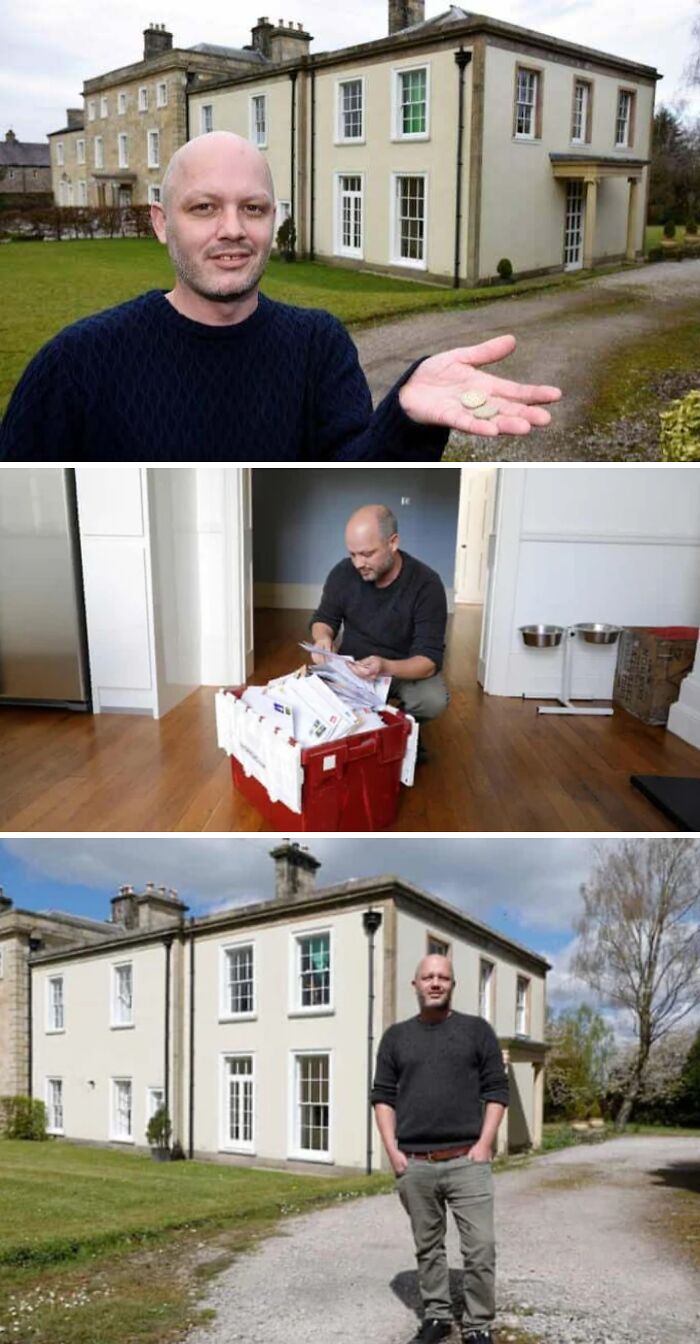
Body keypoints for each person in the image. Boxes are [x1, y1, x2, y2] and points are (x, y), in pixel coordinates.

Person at [1, 132, 561, 461]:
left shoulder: (317, 344)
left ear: (273, 218)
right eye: (203, 208)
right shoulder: (78, 362)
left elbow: (352, 476)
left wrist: (408, 416)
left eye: (254, 208)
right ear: (160, 222)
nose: (233, 229)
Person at [371, 954, 508, 1344]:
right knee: (428, 1247)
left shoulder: (476, 1031)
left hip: (468, 1160)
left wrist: (484, 1144)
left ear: (452, 985)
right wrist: (393, 1152)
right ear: (414, 985)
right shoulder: (396, 1037)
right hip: (415, 1162)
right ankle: (437, 1316)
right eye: (428, 977)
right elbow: (382, 1097)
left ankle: (479, 1323)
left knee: (480, 1247)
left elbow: (497, 1091)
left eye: (443, 977)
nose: (435, 983)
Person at [310, 504, 449, 730]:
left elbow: (428, 662)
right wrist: (323, 638)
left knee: (431, 700)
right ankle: (367, 730)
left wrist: (384, 666)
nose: (358, 564)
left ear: (393, 543)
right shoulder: (343, 573)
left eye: (367, 554)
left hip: (401, 669)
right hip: (353, 667)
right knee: (311, 693)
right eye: (352, 554)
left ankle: (400, 732)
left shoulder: (426, 584)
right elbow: (323, 618)